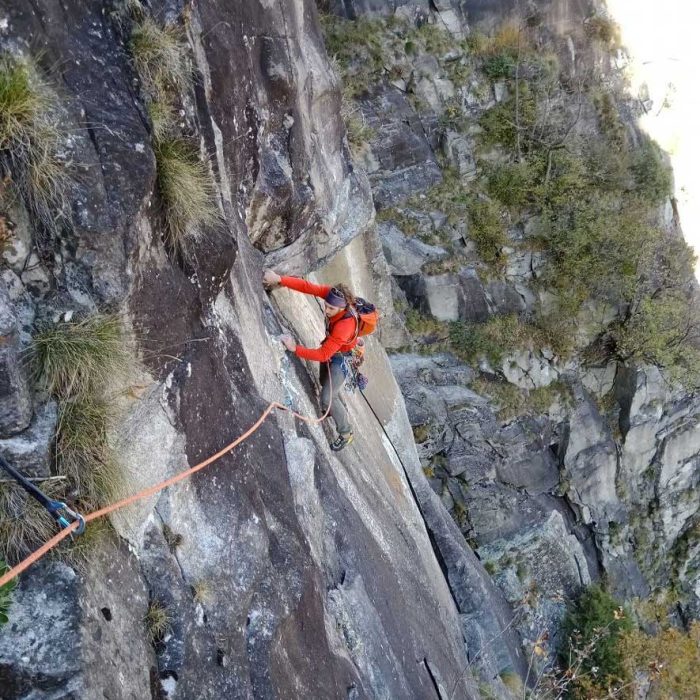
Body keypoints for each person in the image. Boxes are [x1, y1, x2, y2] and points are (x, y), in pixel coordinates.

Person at [263, 268, 358, 451]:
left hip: (342, 359)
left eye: (331, 308)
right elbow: (307, 286)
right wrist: (278, 279)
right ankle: (333, 404)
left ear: (342, 307)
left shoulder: (345, 326)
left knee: (327, 397)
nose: (326, 309)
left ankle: (346, 433)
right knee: (324, 382)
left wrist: (294, 348)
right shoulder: (332, 296)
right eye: (326, 305)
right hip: (331, 349)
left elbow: (323, 354)